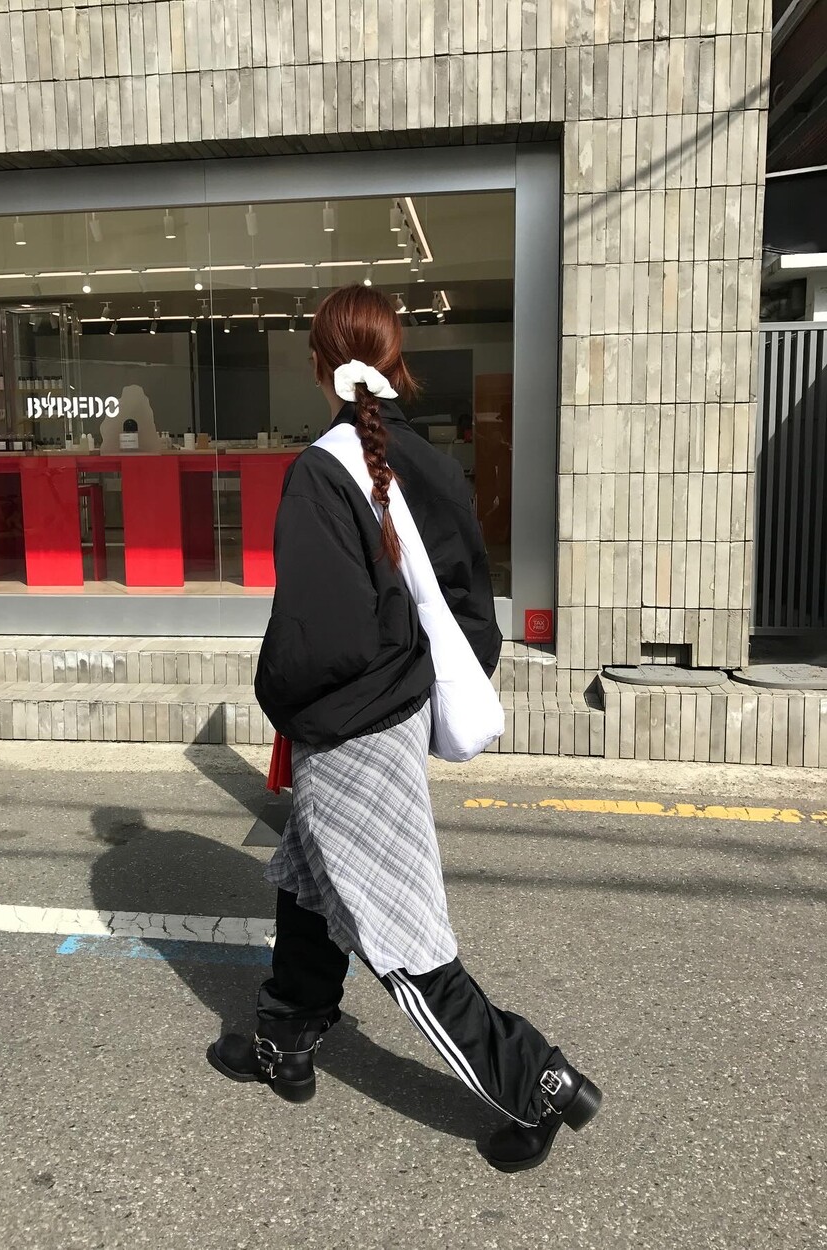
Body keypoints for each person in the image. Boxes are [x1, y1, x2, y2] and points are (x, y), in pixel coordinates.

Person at [207, 285, 601, 1172]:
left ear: (319, 363)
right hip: (394, 708)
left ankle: (533, 1078)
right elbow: (467, 599)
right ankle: (285, 1040)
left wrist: (280, 693)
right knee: (309, 878)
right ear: (396, 361)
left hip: (349, 726)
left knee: (400, 933)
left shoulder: (322, 469)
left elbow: (317, 635)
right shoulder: (426, 461)